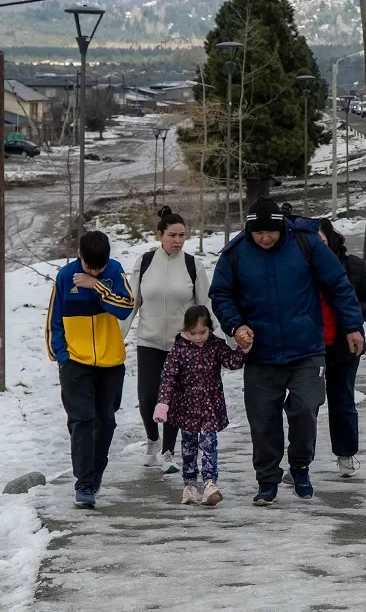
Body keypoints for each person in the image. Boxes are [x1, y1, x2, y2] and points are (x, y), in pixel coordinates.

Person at [210, 197, 365, 506]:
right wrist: (235, 325)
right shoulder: (236, 252)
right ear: (249, 230)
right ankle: (267, 480)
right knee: (263, 420)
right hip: (260, 353)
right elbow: (221, 293)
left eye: (271, 232)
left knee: (306, 408)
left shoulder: (305, 244)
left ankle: (300, 466)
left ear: (282, 227)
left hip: (305, 347)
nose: (265, 238)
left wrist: (352, 326)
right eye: (258, 233)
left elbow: (337, 283)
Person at [46, 230, 135, 509]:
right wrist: (61, 357)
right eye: (88, 265)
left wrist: (96, 284)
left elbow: (126, 306)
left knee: (105, 421)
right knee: (82, 420)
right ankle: (83, 484)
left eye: (99, 266)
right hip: (75, 361)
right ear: (79, 256)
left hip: (111, 362)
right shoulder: (64, 276)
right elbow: (53, 320)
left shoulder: (115, 271)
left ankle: (96, 471)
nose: (94, 269)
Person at [124, 207, 211, 475]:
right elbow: (132, 303)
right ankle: (153, 440)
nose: (178, 240)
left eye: (182, 235)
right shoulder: (145, 262)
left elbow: (204, 305)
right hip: (149, 340)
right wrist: (118, 336)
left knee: (172, 398)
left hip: (180, 345)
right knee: (148, 396)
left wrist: (214, 340)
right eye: (172, 235)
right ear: (159, 235)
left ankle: (169, 452)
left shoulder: (192, 265)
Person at [153, 305, 247, 507]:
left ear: (210, 328)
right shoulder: (178, 351)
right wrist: (163, 404)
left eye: (202, 332)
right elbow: (168, 378)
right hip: (186, 408)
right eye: (192, 333)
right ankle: (190, 485)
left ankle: (210, 484)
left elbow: (231, 362)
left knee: (209, 445)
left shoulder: (216, 346)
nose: (198, 337)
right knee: (188, 447)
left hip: (210, 407)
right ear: (185, 330)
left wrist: (243, 348)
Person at [316, 218, 366, 477]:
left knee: (342, 399)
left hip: (345, 345)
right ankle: (301, 461)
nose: (317, 247)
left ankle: (346, 454)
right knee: (306, 403)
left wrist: (352, 318)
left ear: (331, 239)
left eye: (321, 241)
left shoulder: (352, 266)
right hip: (311, 346)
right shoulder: (302, 267)